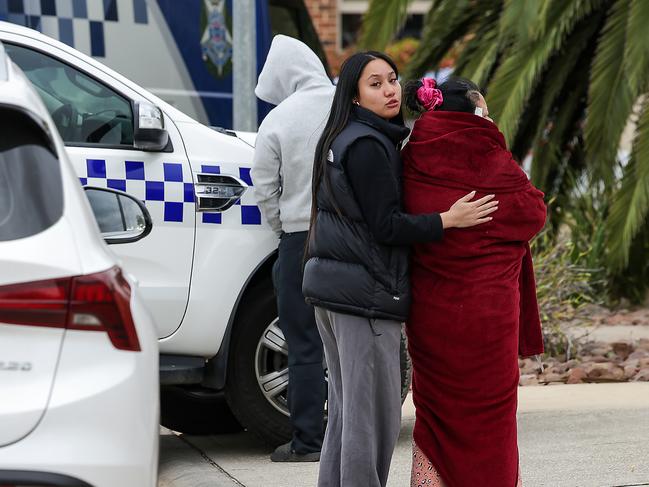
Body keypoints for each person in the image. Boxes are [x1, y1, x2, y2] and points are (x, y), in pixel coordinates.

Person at [302, 52, 498, 487]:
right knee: (372, 420)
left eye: (392, 79)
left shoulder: (347, 136)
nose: (390, 90)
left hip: (336, 291)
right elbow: (386, 225)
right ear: (353, 95)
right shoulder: (369, 146)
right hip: (364, 298)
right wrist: (448, 219)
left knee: (348, 416)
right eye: (375, 84)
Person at [401, 77, 547, 486]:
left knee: (434, 413)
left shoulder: (411, 154)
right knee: (491, 418)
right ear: (476, 106)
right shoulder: (486, 152)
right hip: (488, 316)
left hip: (431, 315)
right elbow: (532, 212)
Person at [251, 34, 334, 462]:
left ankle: (308, 443)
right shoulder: (346, 104)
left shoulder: (279, 119)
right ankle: (349, 437)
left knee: (303, 343)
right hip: (351, 240)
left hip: (300, 240)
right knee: (351, 344)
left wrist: (285, 226)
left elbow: (263, 185)